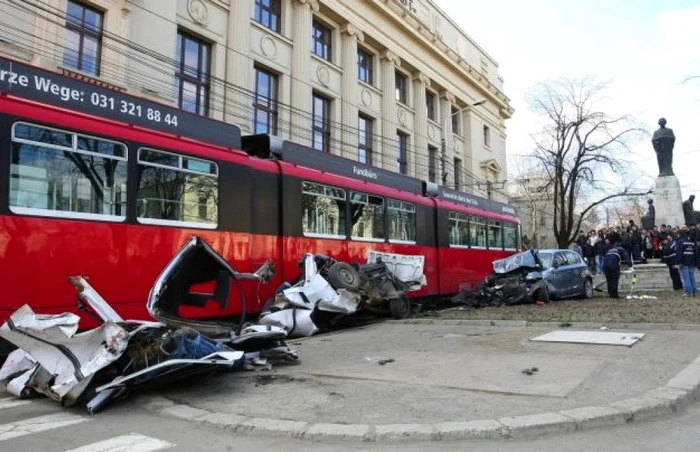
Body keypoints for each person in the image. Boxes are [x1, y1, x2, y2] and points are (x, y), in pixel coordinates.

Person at [676, 226, 697, 296]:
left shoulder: (680, 241)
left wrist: (678, 262)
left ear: (680, 234)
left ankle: (689, 292)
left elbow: (679, 253)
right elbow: (695, 252)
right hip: (691, 261)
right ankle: (694, 291)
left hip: (684, 262)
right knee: (692, 277)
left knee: (686, 277)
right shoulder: (691, 241)